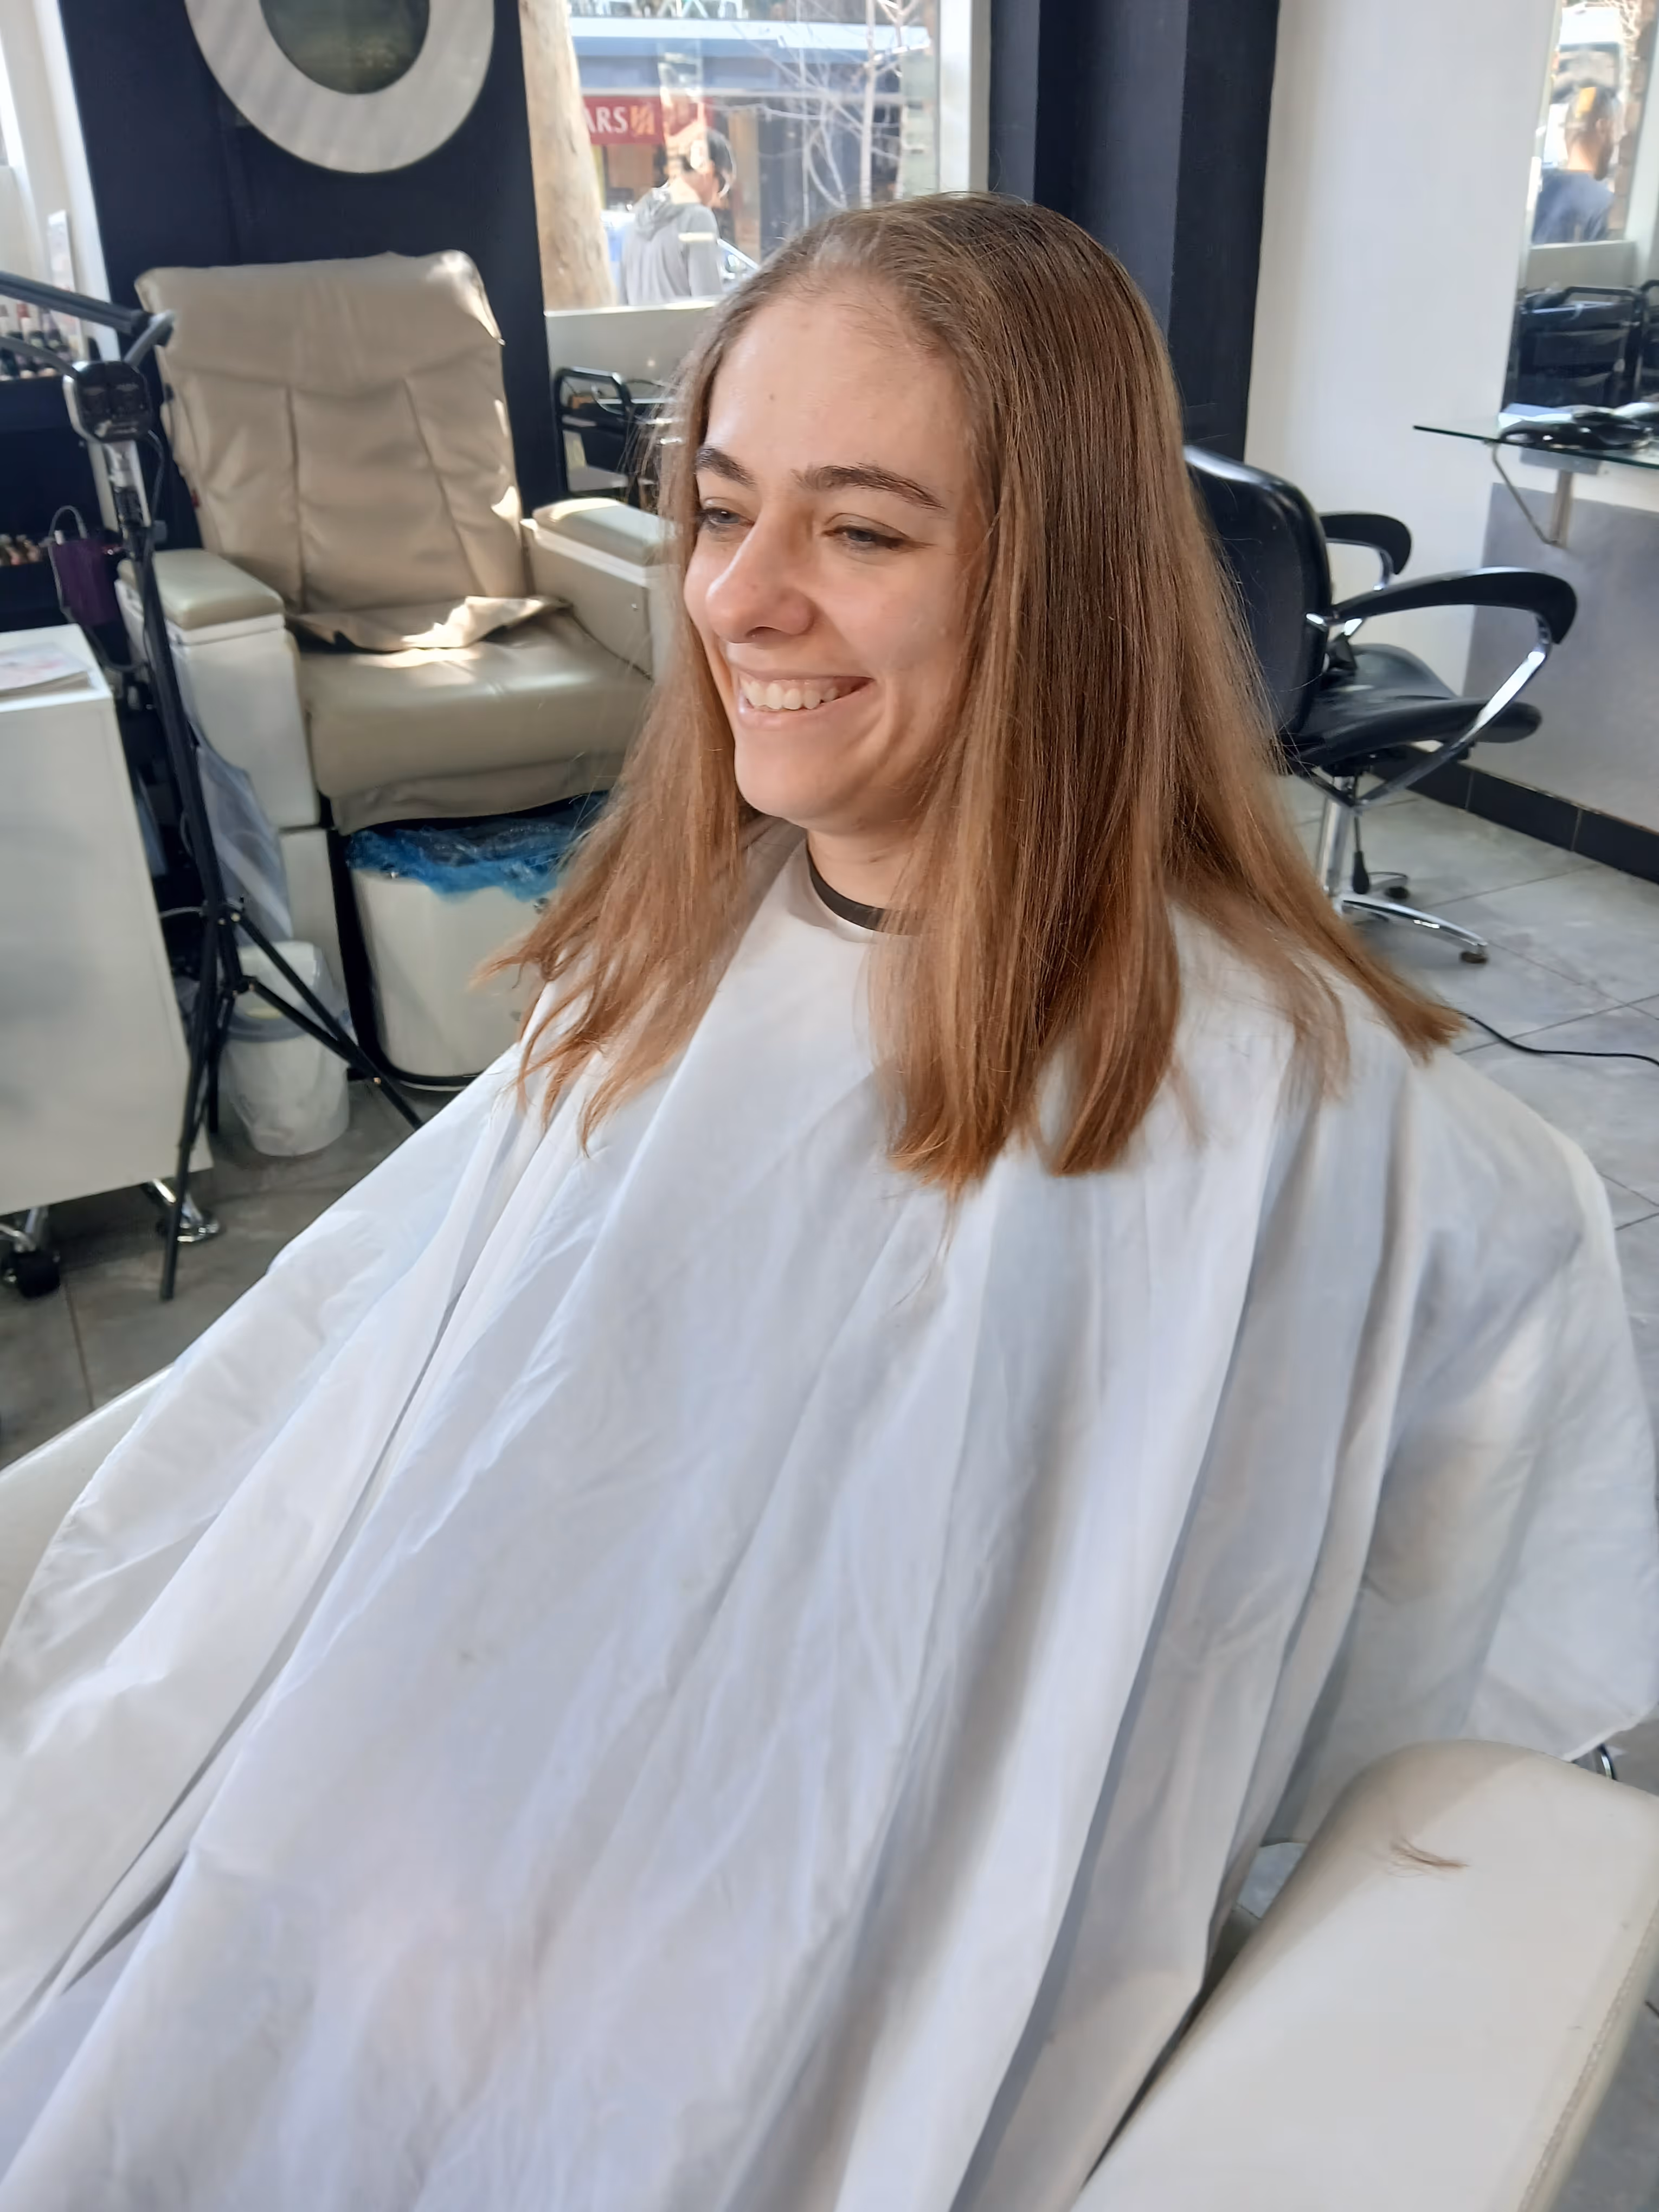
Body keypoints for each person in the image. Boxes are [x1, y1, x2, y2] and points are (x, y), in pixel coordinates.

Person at [1, 196, 1655, 2211]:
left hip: (778, 2016)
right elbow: (350, 1435)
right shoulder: (669, 967)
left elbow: (1400, 1709)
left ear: (1071, 586)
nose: (739, 599)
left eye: (863, 529)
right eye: (718, 505)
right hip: (370, 1872)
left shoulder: (1350, 1139)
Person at [619, 128, 734, 304]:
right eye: (723, 186)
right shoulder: (697, 220)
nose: (718, 199)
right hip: (683, 332)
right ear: (709, 170)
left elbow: (622, 301)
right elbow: (708, 307)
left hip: (639, 332)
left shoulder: (638, 216)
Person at [1534, 83, 1621, 243]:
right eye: (1614, 131)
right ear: (1603, 128)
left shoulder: (1539, 198)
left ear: (1567, 132)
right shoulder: (1606, 207)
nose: (1615, 142)